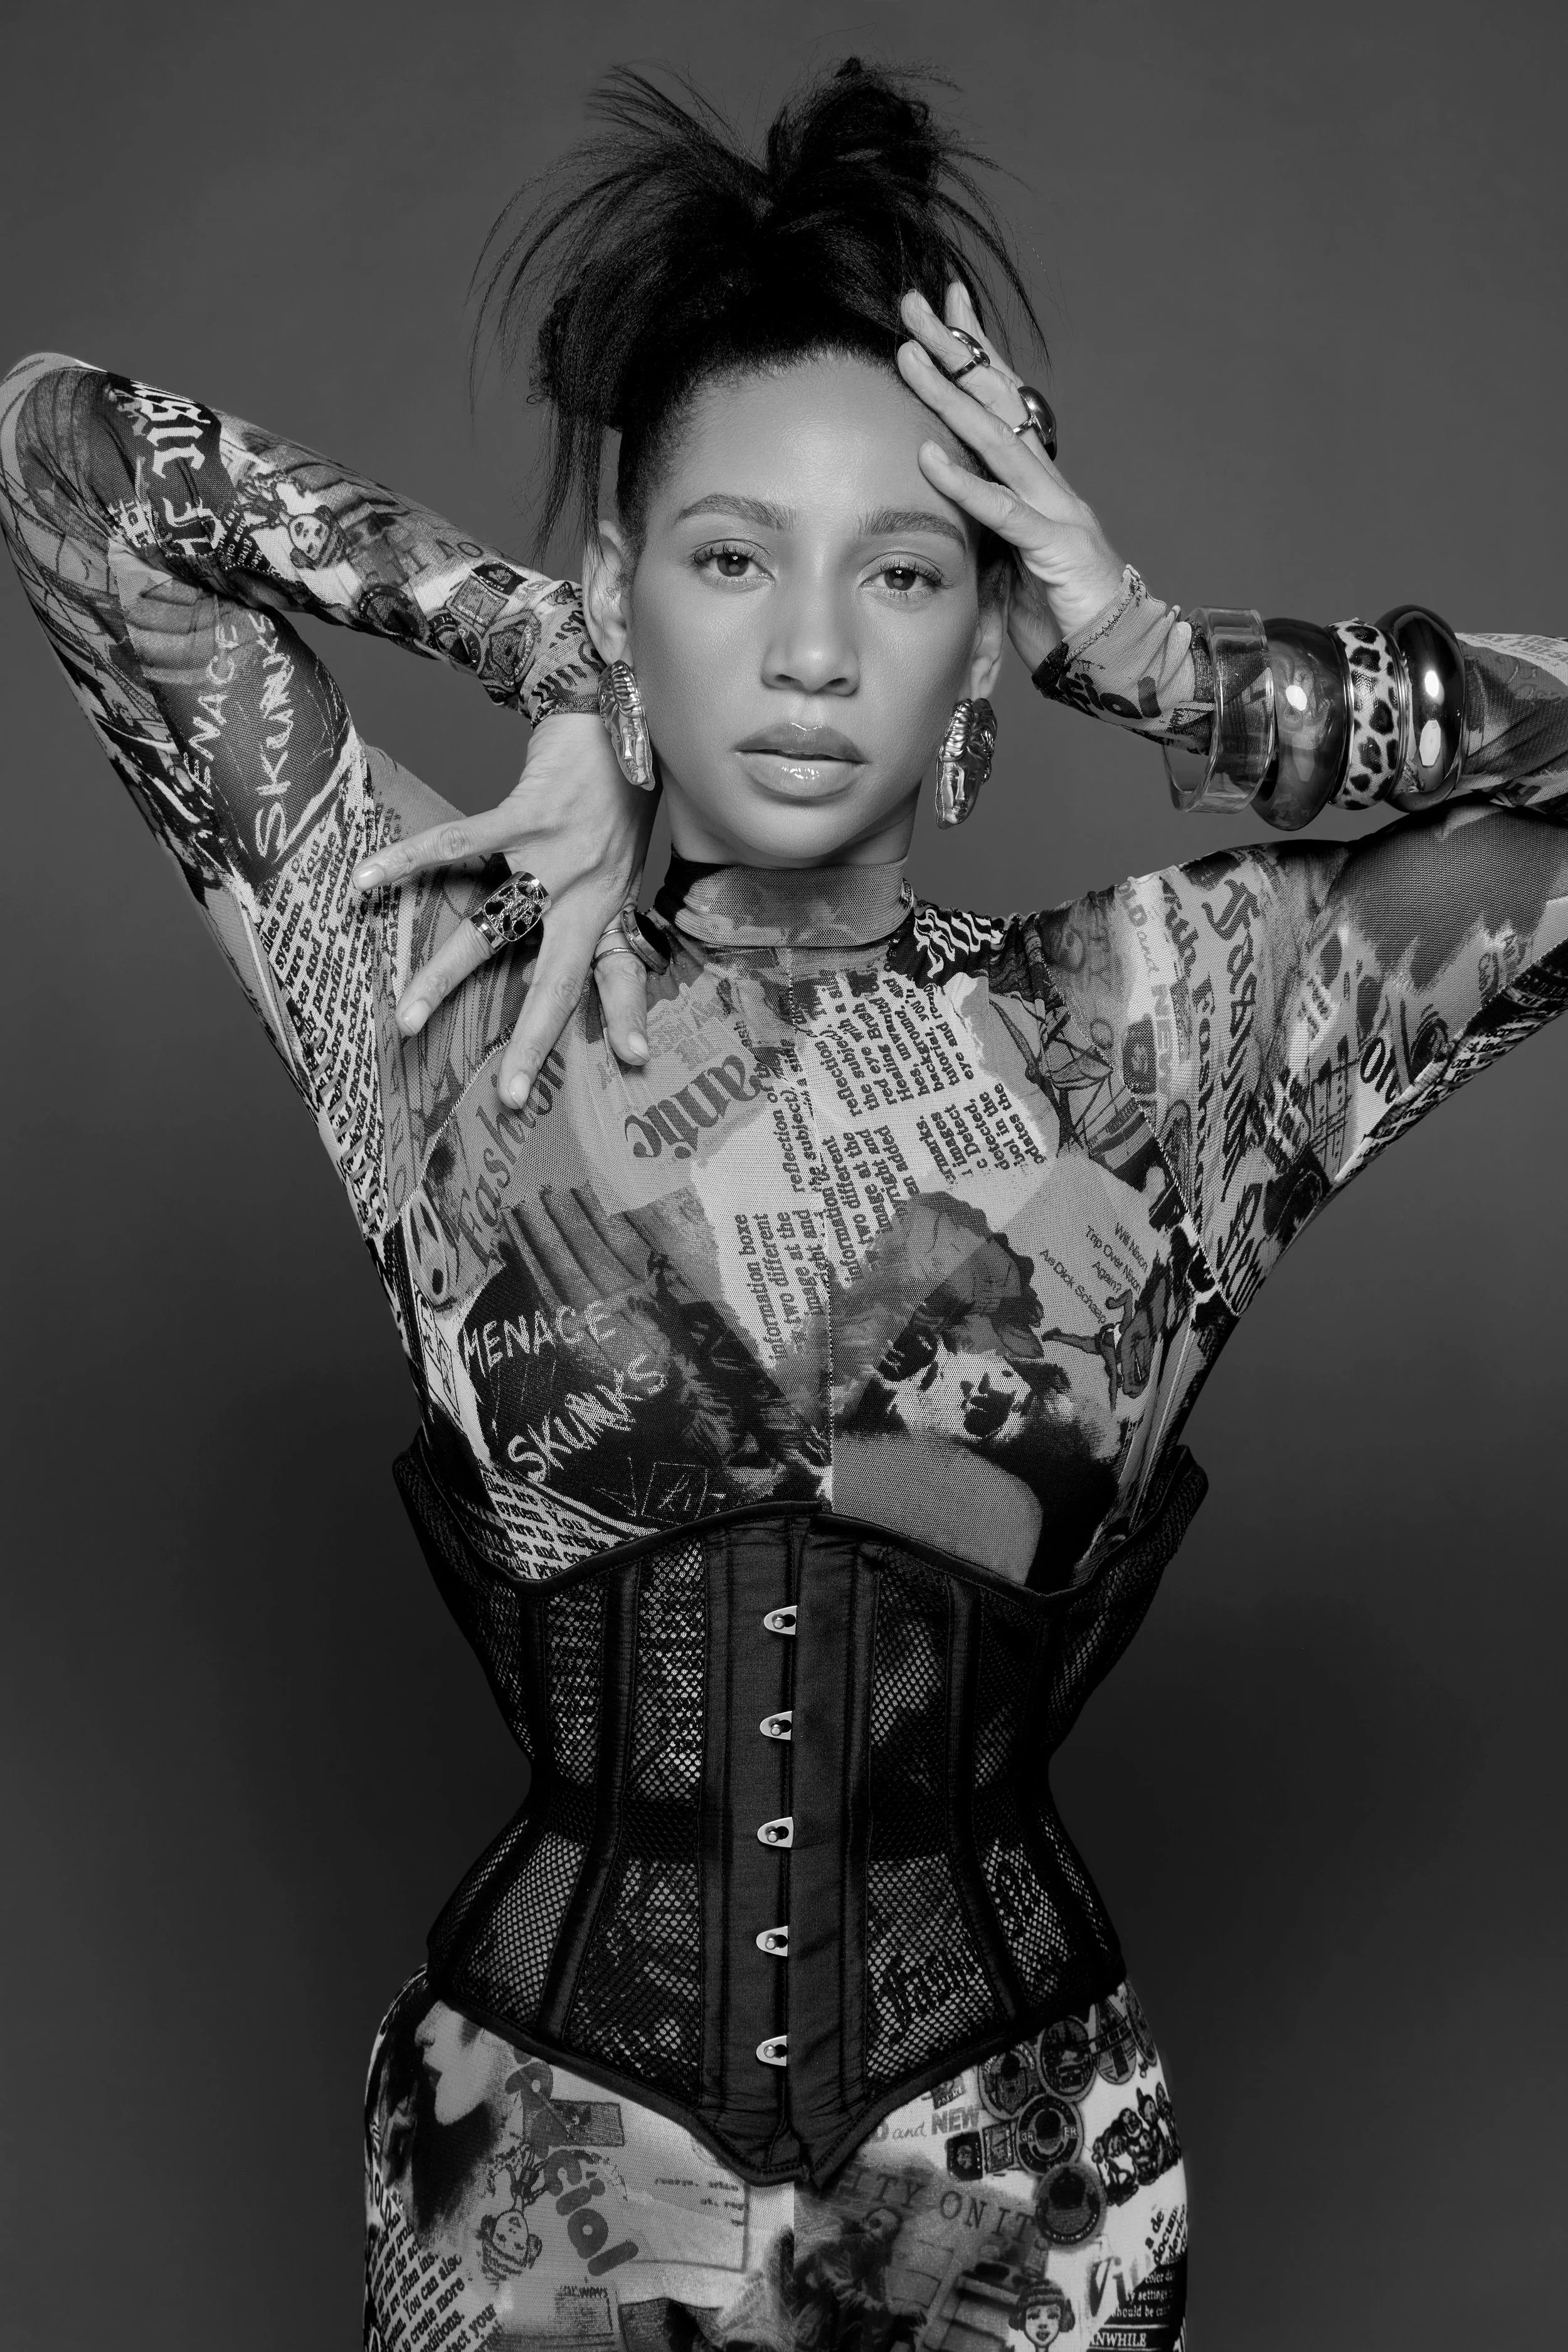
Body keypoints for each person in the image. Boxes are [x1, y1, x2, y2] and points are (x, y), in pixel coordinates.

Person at [4, 53, 1567, 2352]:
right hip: (526, 2178)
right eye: (727, 559)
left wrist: (1183, 669)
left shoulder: (1169, 1032)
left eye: (905, 569)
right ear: (629, 587)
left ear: (980, 659)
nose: (814, 647)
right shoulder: (443, 981)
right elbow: (67, 454)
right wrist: (537, 663)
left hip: (1023, 2187)